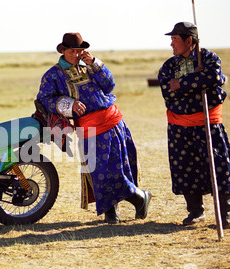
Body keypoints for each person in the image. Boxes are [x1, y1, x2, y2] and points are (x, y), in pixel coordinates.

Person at [36, 32, 151, 223]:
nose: (76, 54)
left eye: (80, 50)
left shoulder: (91, 67)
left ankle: (120, 207)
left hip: (112, 122)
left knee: (118, 167)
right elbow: (44, 100)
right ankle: (136, 199)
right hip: (88, 128)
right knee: (98, 171)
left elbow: (109, 86)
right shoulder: (52, 75)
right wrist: (68, 104)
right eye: (72, 51)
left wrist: (96, 64)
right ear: (63, 50)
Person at [158, 22, 230, 228]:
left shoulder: (209, 58)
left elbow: (215, 78)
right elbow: (168, 90)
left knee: (218, 165)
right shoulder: (169, 66)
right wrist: (198, 81)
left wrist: (183, 83)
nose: (171, 44)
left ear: (189, 40)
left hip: (207, 123)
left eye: (175, 39)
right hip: (179, 125)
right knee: (185, 167)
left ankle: (226, 213)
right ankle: (195, 212)